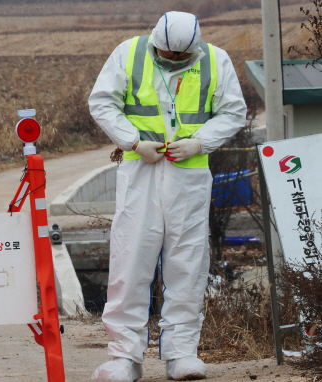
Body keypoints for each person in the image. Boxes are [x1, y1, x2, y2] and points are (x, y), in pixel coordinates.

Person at [88, 11, 247, 382]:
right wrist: (132, 142)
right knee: (130, 260)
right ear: (156, 40)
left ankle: (181, 353)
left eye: (182, 55)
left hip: (188, 177)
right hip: (140, 170)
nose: (174, 59)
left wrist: (199, 142)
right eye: (168, 54)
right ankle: (124, 357)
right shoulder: (128, 54)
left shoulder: (215, 59)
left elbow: (232, 111)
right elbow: (103, 103)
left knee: (187, 264)